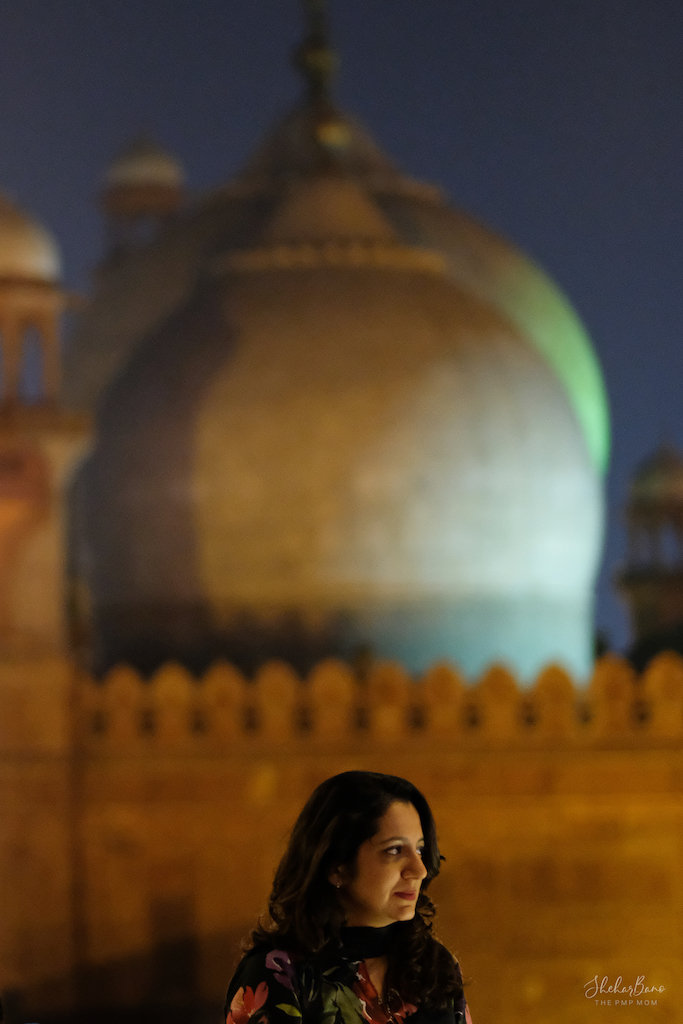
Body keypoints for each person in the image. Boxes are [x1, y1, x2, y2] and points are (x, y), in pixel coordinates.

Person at [224, 771, 472, 1024]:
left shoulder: (435, 965)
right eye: (394, 850)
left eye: (419, 850)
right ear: (336, 867)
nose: (419, 870)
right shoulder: (278, 972)